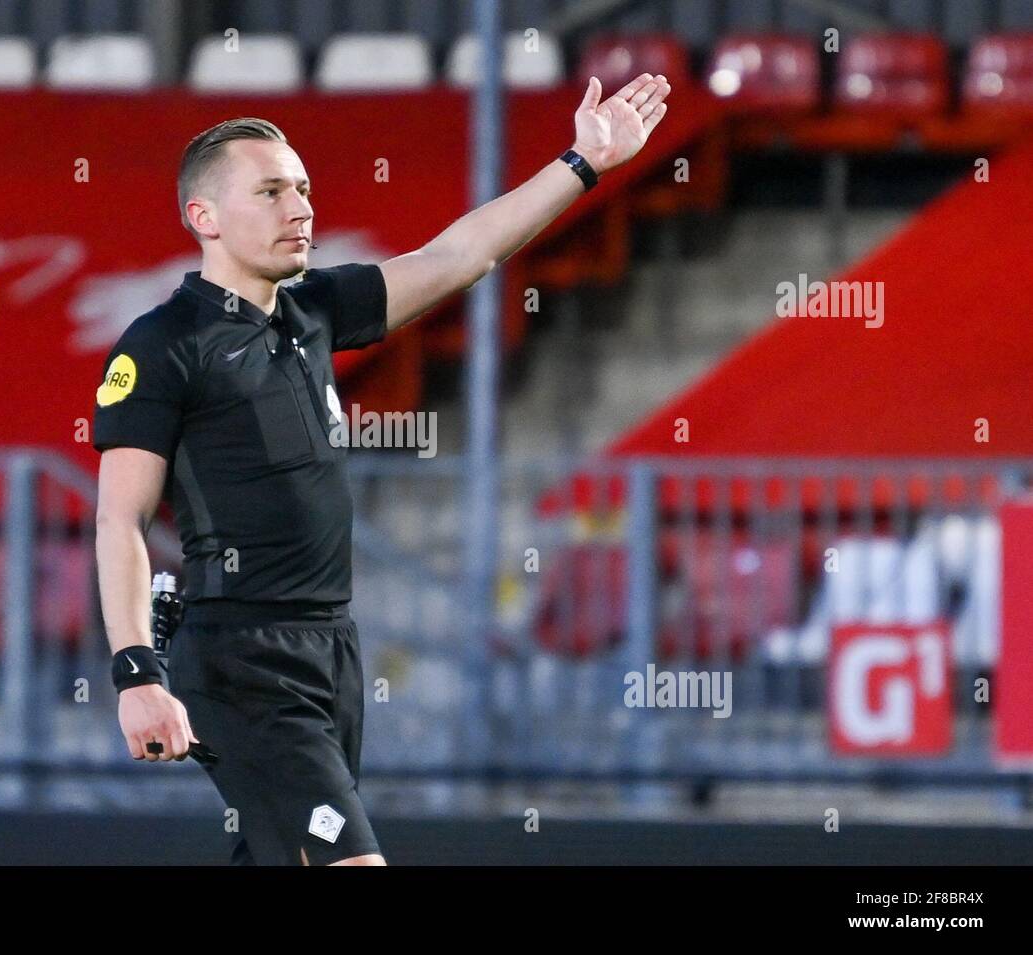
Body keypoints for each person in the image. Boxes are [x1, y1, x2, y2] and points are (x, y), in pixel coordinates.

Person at [93, 73, 672, 865]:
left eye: (301, 188)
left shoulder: (314, 311)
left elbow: (457, 255)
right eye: (270, 192)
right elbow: (120, 519)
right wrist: (135, 673)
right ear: (205, 217)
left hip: (331, 645)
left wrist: (581, 162)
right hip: (239, 655)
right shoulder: (163, 346)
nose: (300, 207)